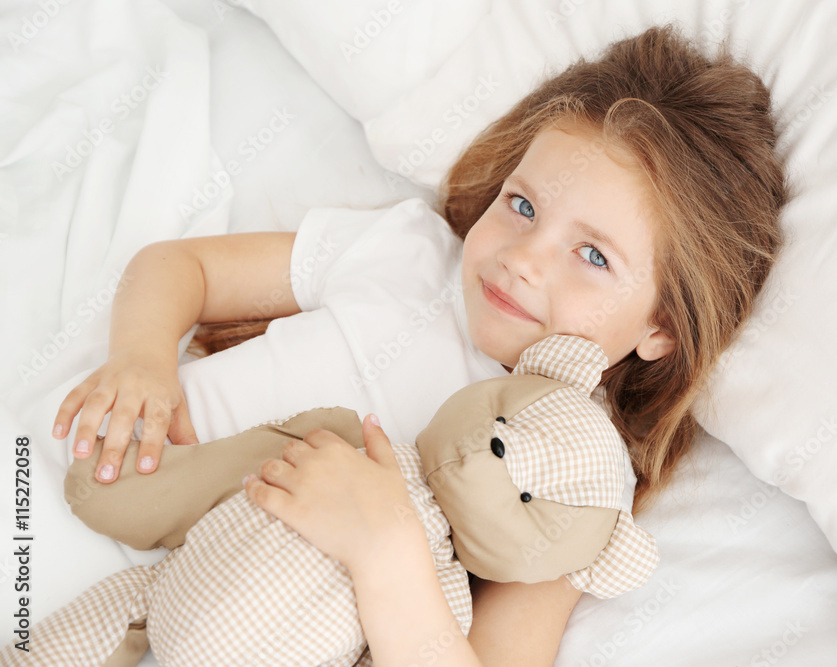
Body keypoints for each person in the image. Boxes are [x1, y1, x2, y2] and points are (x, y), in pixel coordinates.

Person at [46, 24, 786, 665]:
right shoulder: (403, 252)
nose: (524, 258)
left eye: (593, 256)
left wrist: (386, 550)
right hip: (100, 497)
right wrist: (140, 357)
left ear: (662, 328)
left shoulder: (574, 479)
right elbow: (184, 267)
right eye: (522, 205)